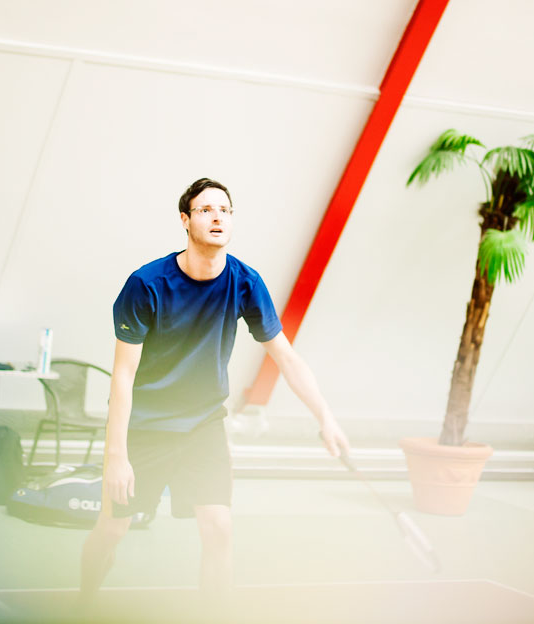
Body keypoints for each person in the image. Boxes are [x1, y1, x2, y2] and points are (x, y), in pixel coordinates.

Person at [78, 177, 350, 609]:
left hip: (203, 426)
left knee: (219, 529)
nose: (217, 216)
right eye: (205, 210)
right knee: (111, 531)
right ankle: (83, 602)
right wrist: (116, 455)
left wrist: (326, 418)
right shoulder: (146, 285)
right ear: (185, 221)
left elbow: (285, 357)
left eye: (224, 209)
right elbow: (122, 377)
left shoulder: (244, 282)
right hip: (145, 427)